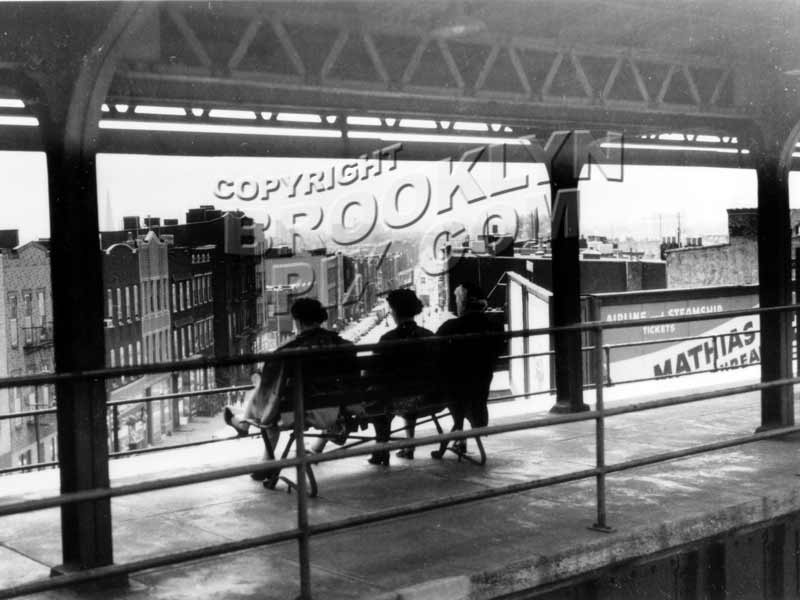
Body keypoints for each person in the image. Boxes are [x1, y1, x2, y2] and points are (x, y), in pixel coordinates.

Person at [224, 298, 357, 479]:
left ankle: (259, 446)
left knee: (269, 397)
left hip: (298, 412)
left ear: (297, 321)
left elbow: (271, 390)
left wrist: (258, 380)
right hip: (335, 410)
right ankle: (255, 440)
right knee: (277, 396)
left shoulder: (287, 351)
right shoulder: (343, 345)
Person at [434, 283, 503, 455]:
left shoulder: (450, 327)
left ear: (463, 303)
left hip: (453, 388)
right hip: (481, 384)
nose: (456, 303)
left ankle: (459, 435)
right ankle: (461, 435)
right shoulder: (493, 326)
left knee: (454, 397)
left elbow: (433, 353)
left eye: (457, 299)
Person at [368, 289, 435, 465]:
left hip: (398, 401)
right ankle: (409, 446)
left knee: (378, 401)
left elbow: (374, 374)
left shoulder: (387, 339)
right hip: (432, 399)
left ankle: (381, 449)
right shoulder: (430, 336)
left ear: (394, 312)